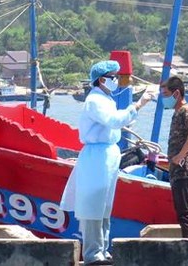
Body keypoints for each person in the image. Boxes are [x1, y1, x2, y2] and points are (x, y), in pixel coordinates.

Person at [60, 59, 153, 266]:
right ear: (102, 80)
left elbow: (116, 122)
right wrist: (139, 104)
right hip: (97, 156)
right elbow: (113, 120)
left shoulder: (106, 98)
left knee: (105, 205)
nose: (117, 80)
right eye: (114, 77)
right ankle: (93, 253)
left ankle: (103, 248)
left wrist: (130, 114)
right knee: (93, 204)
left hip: (108, 154)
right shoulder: (95, 101)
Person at [161, 76, 188, 238]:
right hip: (178, 171)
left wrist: (180, 155)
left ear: (176, 94)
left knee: (185, 214)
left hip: (184, 170)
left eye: (166, 94)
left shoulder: (186, 110)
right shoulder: (178, 112)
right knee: (181, 212)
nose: (164, 98)